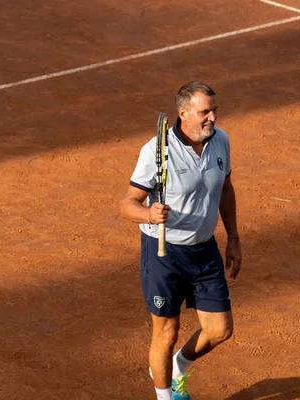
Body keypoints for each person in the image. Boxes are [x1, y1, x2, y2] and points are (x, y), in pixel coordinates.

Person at [120, 81, 242, 400]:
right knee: (167, 331)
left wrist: (233, 237)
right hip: (165, 254)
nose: (212, 118)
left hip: (204, 250)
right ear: (184, 113)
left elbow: (226, 190)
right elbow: (128, 202)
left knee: (219, 330)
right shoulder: (156, 151)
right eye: (205, 112)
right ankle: (164, 395)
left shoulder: (221, 142)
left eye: (214, 110)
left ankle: (177, 367)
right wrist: (148, 216)